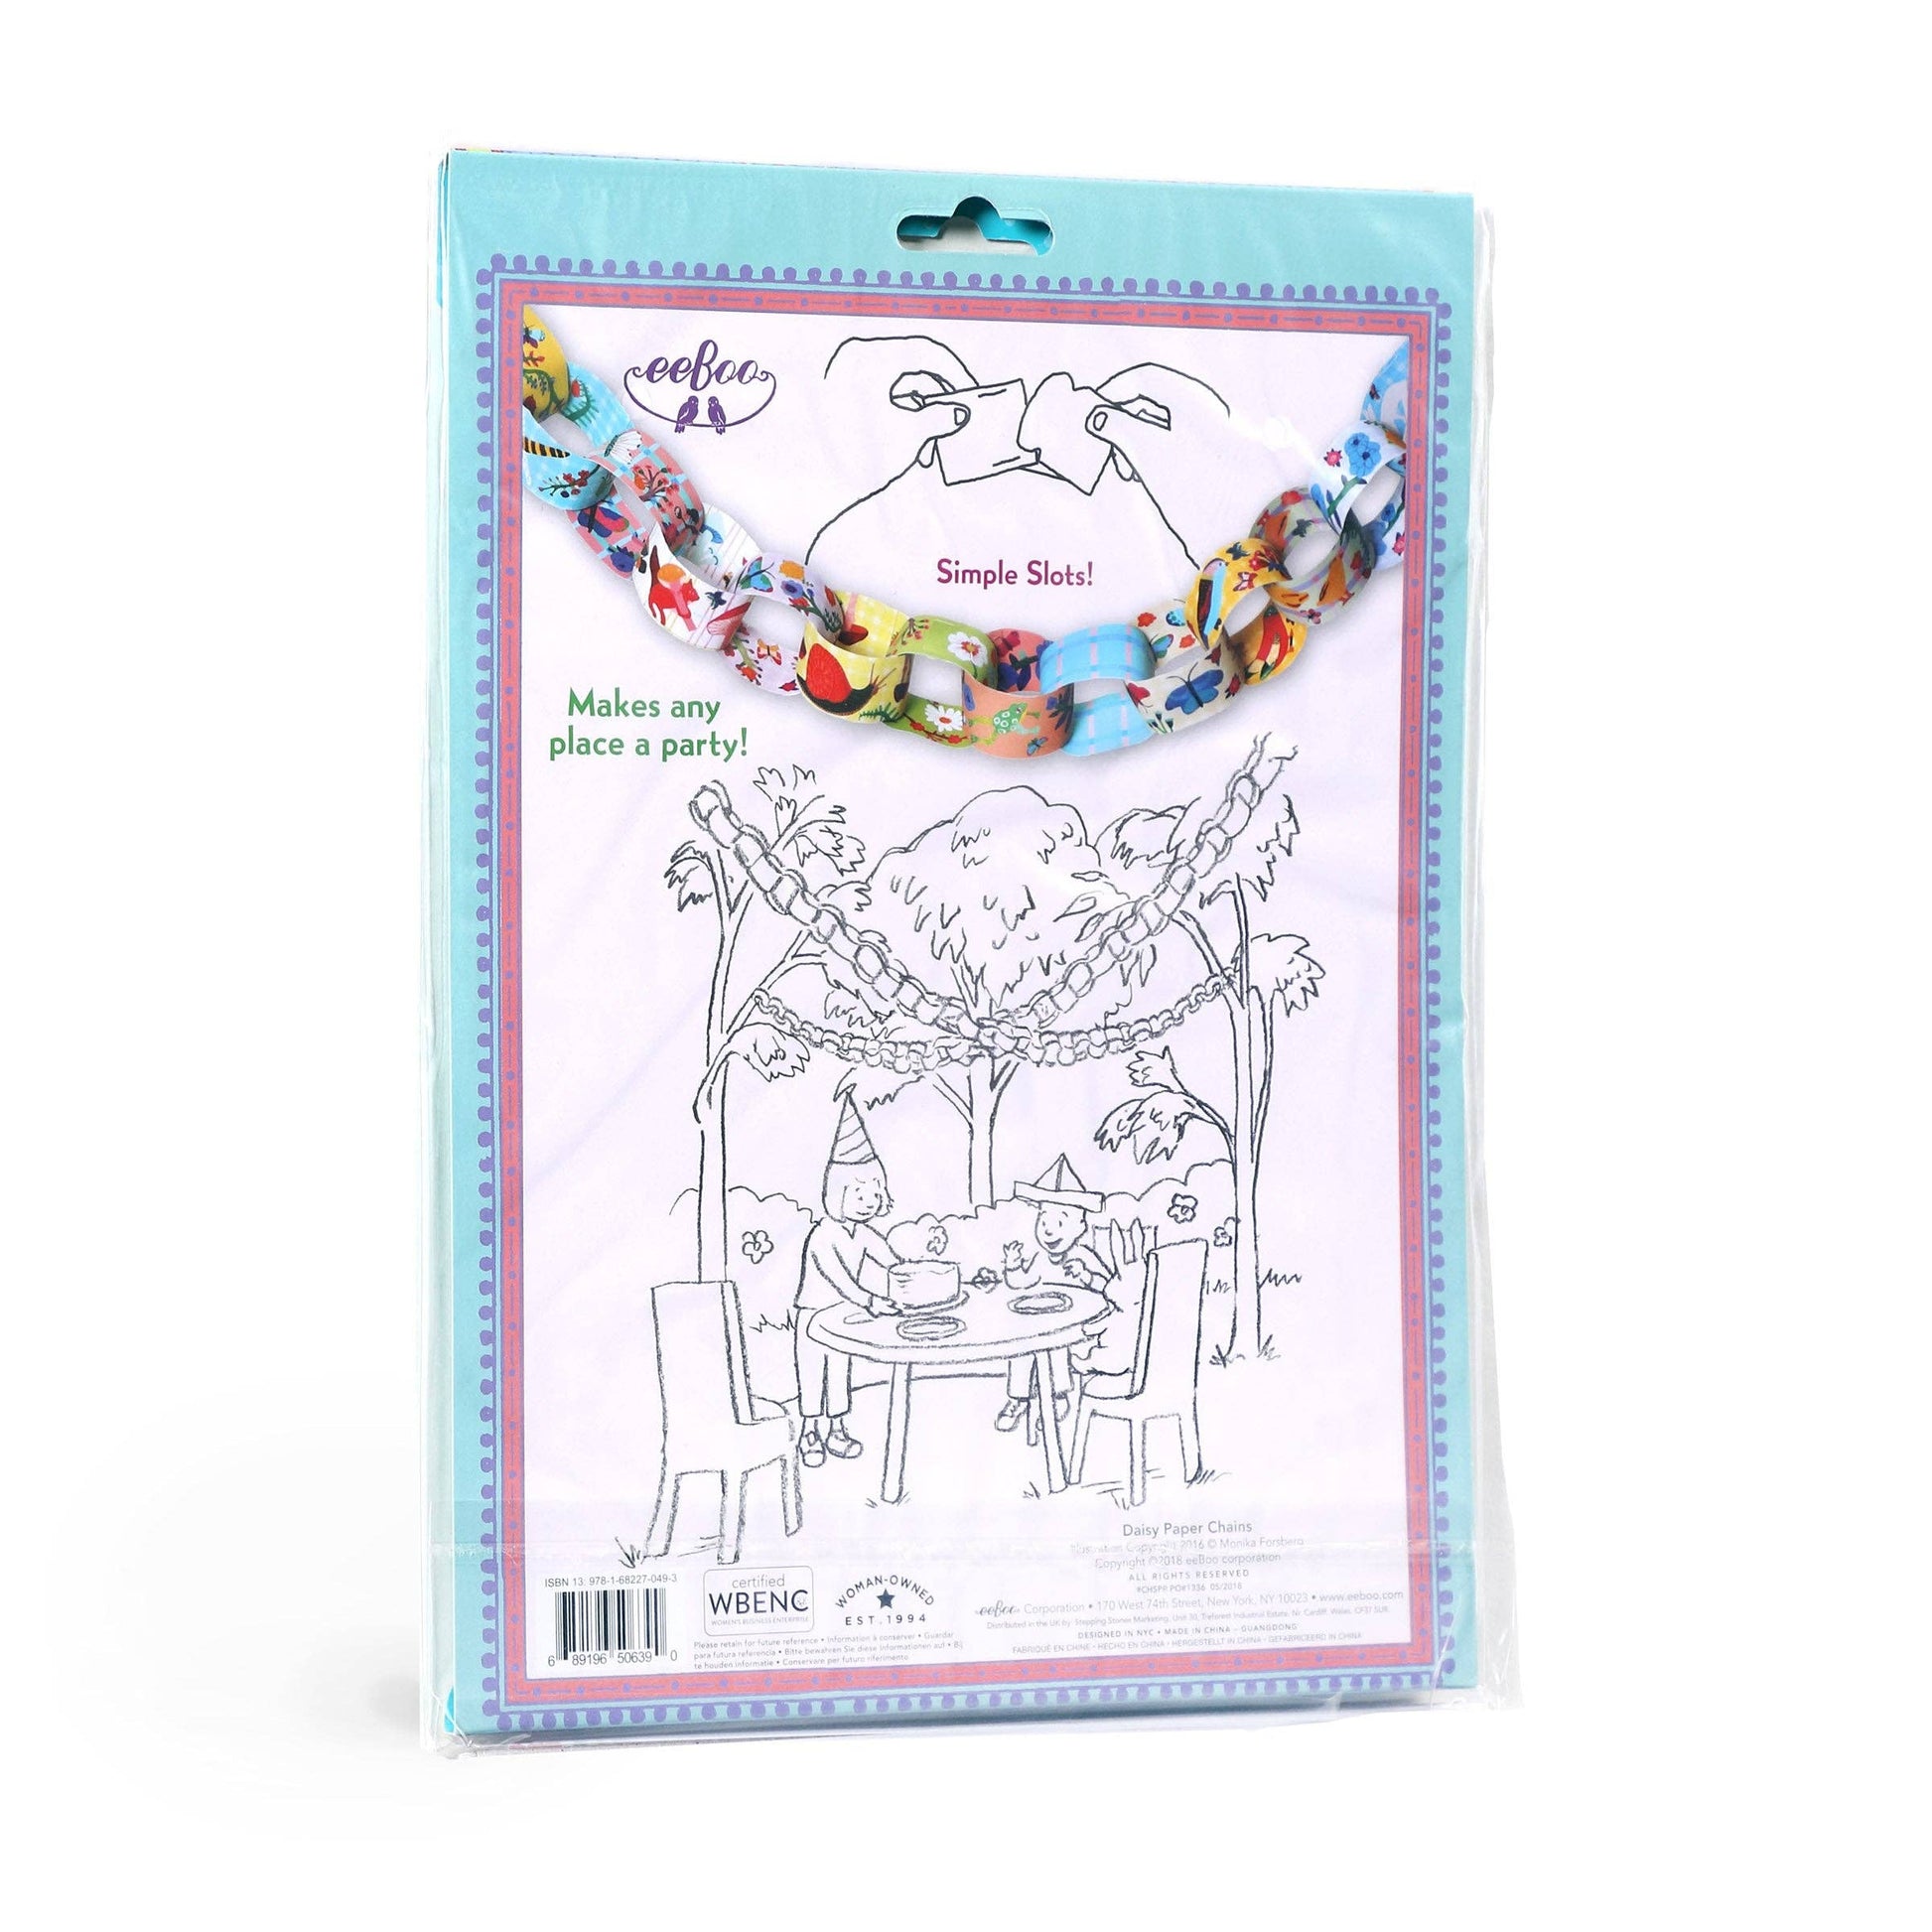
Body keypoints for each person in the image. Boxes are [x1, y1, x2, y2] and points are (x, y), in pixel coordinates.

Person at [794, 1098, 898, 1468]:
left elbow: (890, 1259)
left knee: (839, 1371)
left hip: (841, 1316)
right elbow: (838, 1279)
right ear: (837, 1193)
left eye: (874, 1193)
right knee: (812, 1374)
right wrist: (870, 1301)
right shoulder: (823, 1235)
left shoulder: (862, 1232)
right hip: (812, 1315)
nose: (868, 1202)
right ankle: (809, 1431)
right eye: (859, 1193)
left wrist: (915, 1277)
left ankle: (837, 1429)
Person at [994, 1156, 1129, 1433]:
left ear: (1080, 1227)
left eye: (1060, 1221)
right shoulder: (1039, 1258)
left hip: (1077, 1334)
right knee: (1022, 1348)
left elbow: (1110, 1289)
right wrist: (1013, 1266)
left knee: (1056, 1346)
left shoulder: (1084, 1256)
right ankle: (1018, 1399)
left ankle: (1058, 1396)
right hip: (1038, 1329)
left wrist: (1086, 1276)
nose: (1049, 1229)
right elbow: (1021, 1283)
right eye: (1044, 1220)